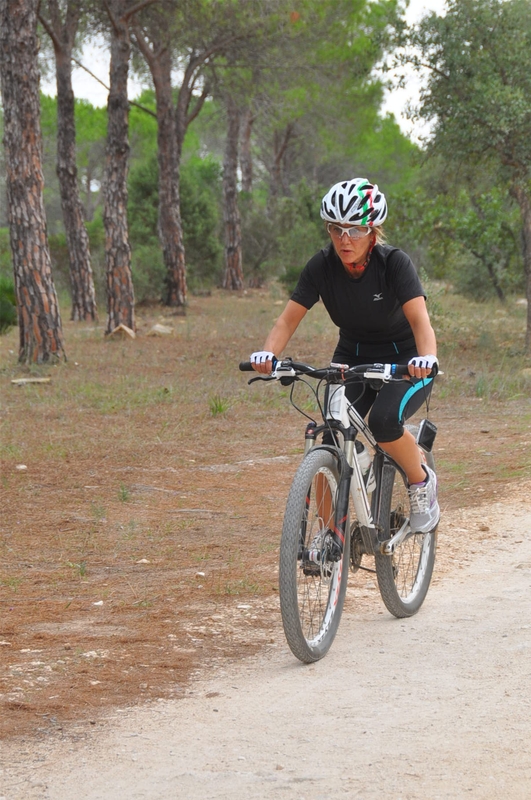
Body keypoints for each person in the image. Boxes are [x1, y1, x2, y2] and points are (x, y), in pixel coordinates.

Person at [250, 178, 440, 533]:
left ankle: (421, 481)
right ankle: (330, 536)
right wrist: (267, 354)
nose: (344, 239)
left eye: (354, 230)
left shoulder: (394, 264)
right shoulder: (321, 267)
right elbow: (287, 319)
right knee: (331, 436)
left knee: (384, 422)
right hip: (352, 355)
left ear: (372, 231)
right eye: (336, 229)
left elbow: (421, 321)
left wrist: (425, 359)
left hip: (406, 359)